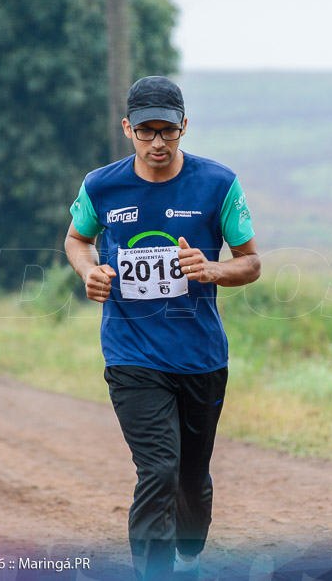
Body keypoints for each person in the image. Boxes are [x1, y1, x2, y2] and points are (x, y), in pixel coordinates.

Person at [64, 76, 261, 580]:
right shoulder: (101, 186)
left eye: (167, 132)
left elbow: (251, 264)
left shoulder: (217, 184)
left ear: (184, 128)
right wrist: (90, 271)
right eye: (146, 131)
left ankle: (188, 560)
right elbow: (76, 239)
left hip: (201, 356)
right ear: (127, 127)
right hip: (131, 354)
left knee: (191, 480)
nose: (157, 142)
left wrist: (210, 269)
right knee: (158, 471)